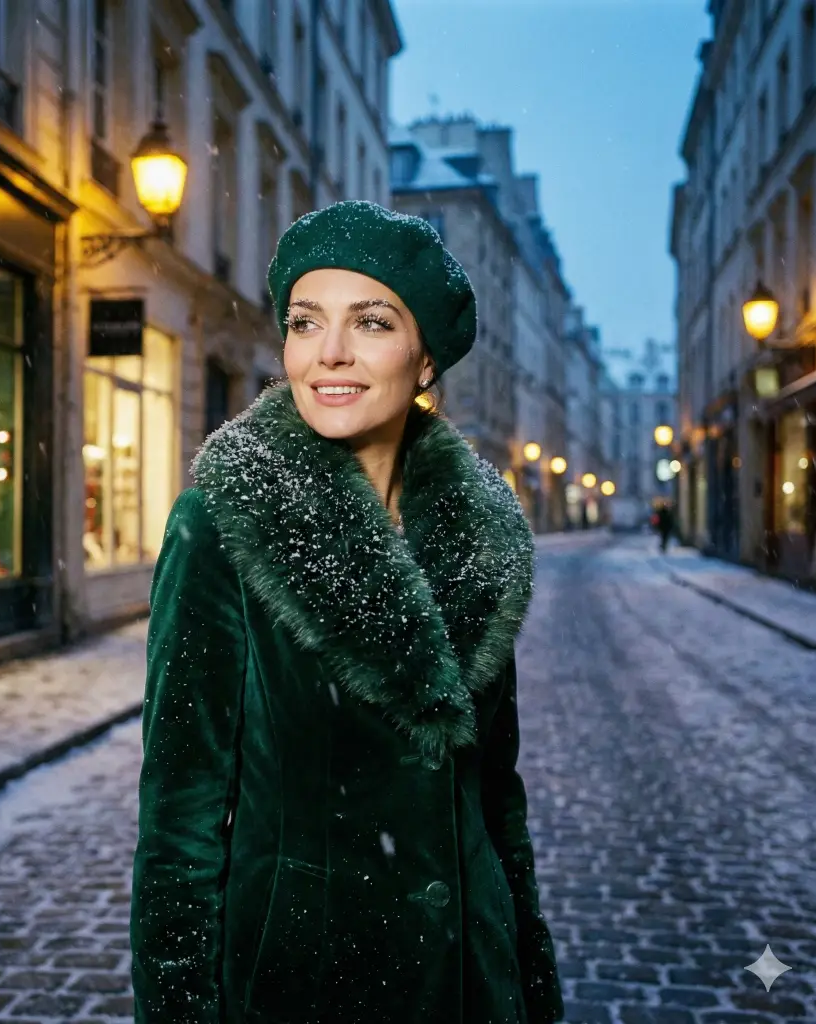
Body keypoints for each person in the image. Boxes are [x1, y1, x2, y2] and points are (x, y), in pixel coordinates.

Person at [131, 200, 564, 1024]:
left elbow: (496, 797)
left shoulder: (479, 538)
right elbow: (178, 825)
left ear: (426, 356)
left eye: (370, 321)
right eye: (304, 321)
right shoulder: (225, 522)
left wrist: (527, 975)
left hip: (473, 980)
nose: (328, 353)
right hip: (308, 986)